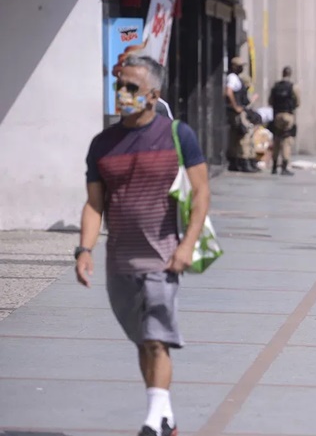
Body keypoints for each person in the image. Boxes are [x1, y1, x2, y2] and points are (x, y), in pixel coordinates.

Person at [76, 55, 209, 436]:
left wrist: (186, 246)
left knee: (156, 337)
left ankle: (152, 422)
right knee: (142, 340)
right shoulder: (102, 144)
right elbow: (93, 204)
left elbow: (201, 193)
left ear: (153, 94)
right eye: (119, 86)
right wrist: (84, 250)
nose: (122, 94)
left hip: (163, 256)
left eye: (131, 87)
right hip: (120, 262)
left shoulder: (177, 135)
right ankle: (165, 417)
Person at [225, 57, 260, 173]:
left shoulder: (235, 78)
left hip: (237, 111)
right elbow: (228, 92)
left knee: (235, 137)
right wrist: (235, 106)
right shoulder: (232, 78)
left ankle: (235, 161)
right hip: (237, 112)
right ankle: (244, 161)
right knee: (245, 134)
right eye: (239, 66)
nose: (241, 68)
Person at [269, 66, 300, 176]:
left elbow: (270, 101)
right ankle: (284, 167)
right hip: (288, 115)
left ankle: (273, 166)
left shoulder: (276, 86)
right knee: (286, 141)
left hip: (277, 115)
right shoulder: (293, 87)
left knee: (276, 140)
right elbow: (297, 102)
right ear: (290, 74)